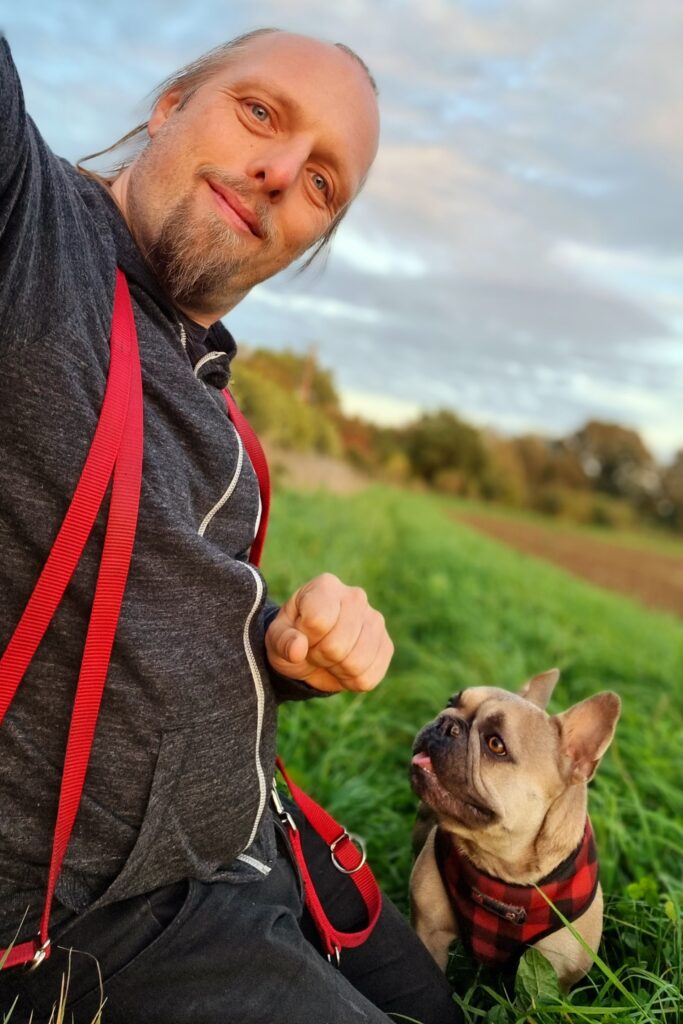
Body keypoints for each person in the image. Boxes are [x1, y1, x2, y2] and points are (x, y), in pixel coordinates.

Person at [0, 26, 462, 1024]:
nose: (279, 172)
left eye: (323, 185)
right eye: (260, 111)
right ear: (168, 107)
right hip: (107, 922)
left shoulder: (218, 406)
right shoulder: (29, 240)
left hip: (269, 842)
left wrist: (279, 653)